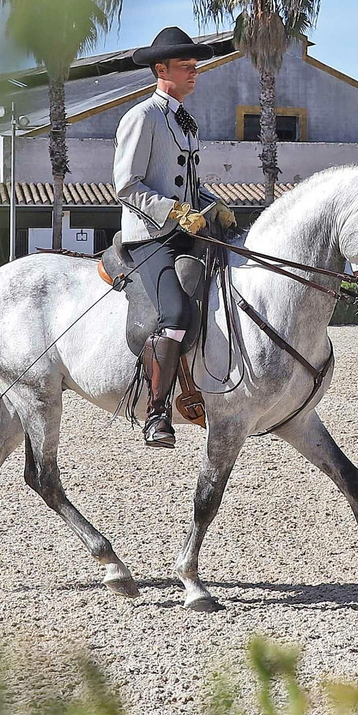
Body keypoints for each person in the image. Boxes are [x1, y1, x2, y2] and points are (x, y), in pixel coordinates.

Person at [114, 26, 236, 449]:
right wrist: (175, 211)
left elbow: (188, 184)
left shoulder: (186, 122)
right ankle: (157, 413)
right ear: (160, 69)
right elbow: (126, 186)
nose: (194, 72)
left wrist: (211, 202)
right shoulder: (141, 117)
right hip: (151, 236)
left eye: (195, 66)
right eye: (186, 67)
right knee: (177, 314)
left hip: (186, 229)